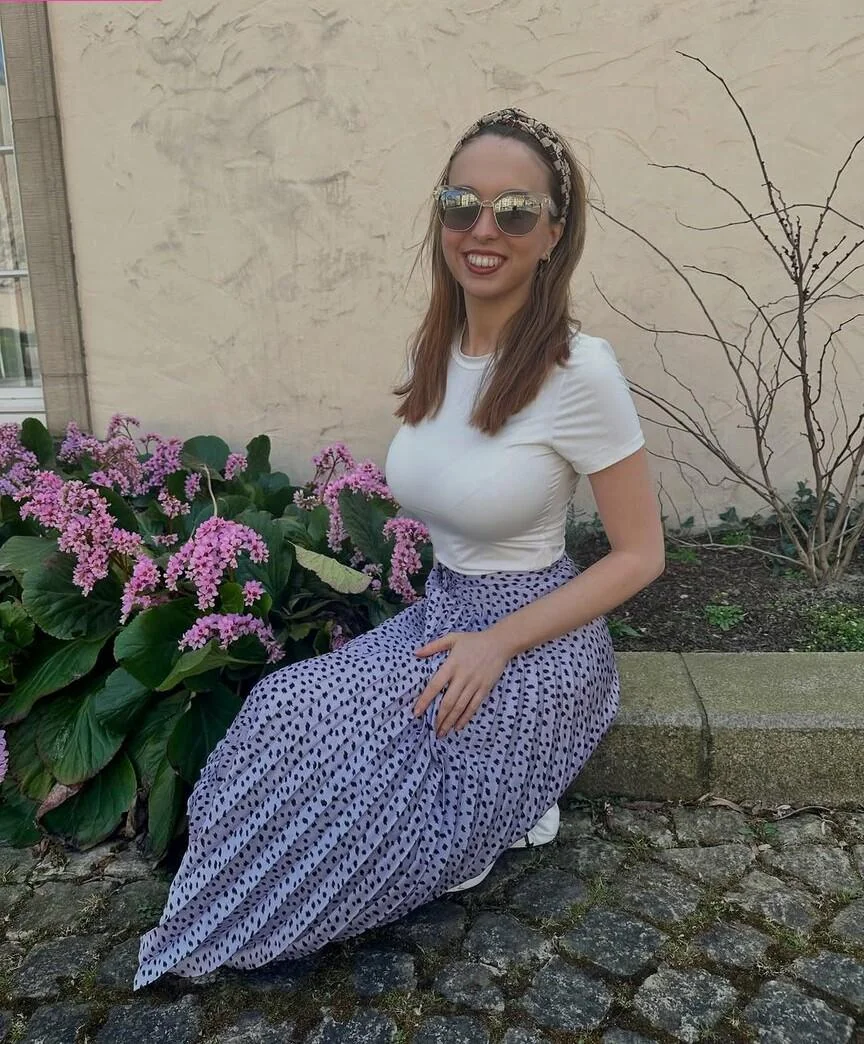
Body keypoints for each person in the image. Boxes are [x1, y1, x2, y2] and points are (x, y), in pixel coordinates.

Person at [132, 108, 664, 992]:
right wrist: (469, 631)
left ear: (552, 235)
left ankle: (499, 809)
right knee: (285, 709)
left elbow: (640, 556)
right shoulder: (440, 348)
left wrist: (498, 643)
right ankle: (226, 897)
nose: (483, 229)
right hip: (446, 612)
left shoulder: (581, 371)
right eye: (462, 204)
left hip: (535, 640)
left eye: (515, 210)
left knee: (386, 798)